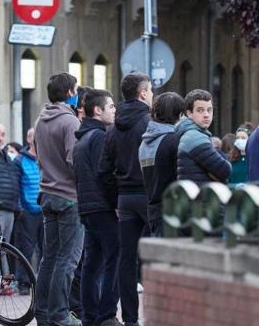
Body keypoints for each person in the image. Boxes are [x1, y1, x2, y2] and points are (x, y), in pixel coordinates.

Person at [98, 72, 153, 326]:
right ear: (142, 93)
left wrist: (115, 200)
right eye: (150, 91)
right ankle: (156, 316)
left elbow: (103, 171)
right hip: (149, 196)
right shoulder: (150, 124)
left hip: (125, 199)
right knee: (155, 257)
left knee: (126, 261)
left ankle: (130, 319)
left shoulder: (112, 128)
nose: (152, 95)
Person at [34, 73, 83, 326]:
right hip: (69, 197)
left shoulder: (41, 120)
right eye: (76, 89)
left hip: (47, 194)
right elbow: (75, 161)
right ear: (68, 93)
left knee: (49, 258)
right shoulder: (70, 122)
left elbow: (40, 157)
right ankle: (61, 315)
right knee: (68, 259)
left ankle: (42, 314)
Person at [73, 89, 120, 326]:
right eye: (110, 106)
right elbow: (106, 174)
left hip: (88, 207)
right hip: (102, 206)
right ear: (97, 110)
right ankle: (106, 314)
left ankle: (89, 316)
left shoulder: (82, 138)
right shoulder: (99, 137)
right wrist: (116, 203)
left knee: (92, 263)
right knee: (116, 257)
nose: (114, 110)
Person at [138, 92, 185, 237]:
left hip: (154, 209)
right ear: (180, 114)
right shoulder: (174, 141)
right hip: (173, 211)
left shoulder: (145, 142)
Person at [177, 89, 231, 184]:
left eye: (209, 110)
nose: (206, 115)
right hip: (200, 196)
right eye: (200, 110)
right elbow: (225, 170)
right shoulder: (194, 137)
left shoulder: (193, 133)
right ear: (189, 113)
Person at [13, 128, 43, 296]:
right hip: (28, 211)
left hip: (45, 210)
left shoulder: (46, 157)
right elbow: (15, 185)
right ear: (28, 139)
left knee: (46, 250)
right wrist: (20, 208)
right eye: (34, 136)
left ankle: (42, 284)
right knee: (26, 249)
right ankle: (24, 283)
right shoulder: (19, 160)